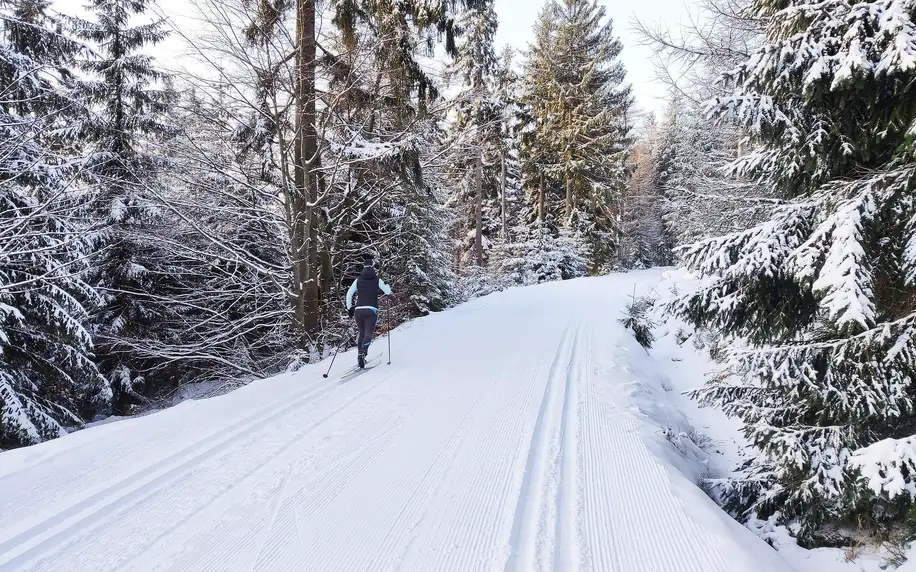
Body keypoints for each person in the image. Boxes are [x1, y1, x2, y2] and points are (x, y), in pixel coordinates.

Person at [346, 253, 392, 368]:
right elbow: (387, 291)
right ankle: (363, 352)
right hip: (371, 309)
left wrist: (349, 307)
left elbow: (349, 294)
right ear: (372, 266)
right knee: (368, 334)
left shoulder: (358, 280)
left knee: (361, 333)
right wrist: (388, 286)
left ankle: (360, 357)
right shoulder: (377, 280)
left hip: (358, 310)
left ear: (363, 267)